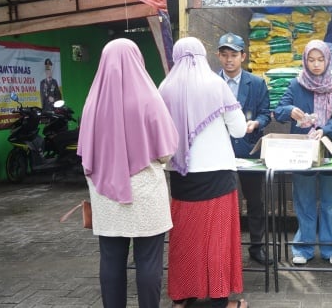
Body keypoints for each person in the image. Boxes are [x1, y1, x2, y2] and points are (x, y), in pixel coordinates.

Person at [77, 38, 179, 308]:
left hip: (105, 194)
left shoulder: (92, 102)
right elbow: (167, 152)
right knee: (148, 262)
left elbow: (84, 154)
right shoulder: (149, 99)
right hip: (145, 192)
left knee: (110, 260)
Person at [159, 37, 249, 308]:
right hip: (218, 175)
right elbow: (239, 130)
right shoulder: (215, 84)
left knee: (185, 240)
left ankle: (182, 297)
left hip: (182, 175)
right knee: (218, 239)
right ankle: (220, 300)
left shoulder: (164, 87)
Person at [274, 39, 332, 266]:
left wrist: (324, 130)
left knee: (330, 202)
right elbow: (278, 111)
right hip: (301, 152)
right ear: (305, 61)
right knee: (304, 201)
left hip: (331, 150)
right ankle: (303, 248)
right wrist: (291, 111)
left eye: (320, 59)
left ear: (328, 60)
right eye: (311, 59)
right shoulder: (296, 84)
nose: (316, 65)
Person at [217, 32, 272, 266]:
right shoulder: (212, 82)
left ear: (243, 56)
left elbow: (265, 112)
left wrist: (256, 123)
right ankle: (223, 248)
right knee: (222, 201)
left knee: (255, 200)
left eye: (234, 55)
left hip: (249, 150)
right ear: (218, 56)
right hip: (219, 151)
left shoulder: (256, 83)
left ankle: (257, 246)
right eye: (224, 55)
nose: (229, 60)